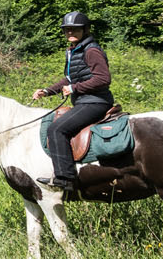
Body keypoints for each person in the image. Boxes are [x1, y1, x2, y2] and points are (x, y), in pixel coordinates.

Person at [32, 10, 114, 191]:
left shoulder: (91, 50)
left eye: (75, 29)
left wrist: (75, 89)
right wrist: (47, 91)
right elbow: (69, 79)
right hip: (84, 101)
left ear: (85, 30)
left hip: (96, 101)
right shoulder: (74, 50)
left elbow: (103, 78)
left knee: (56, 129)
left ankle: (66, 178)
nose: (70, 33)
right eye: (67, 30)